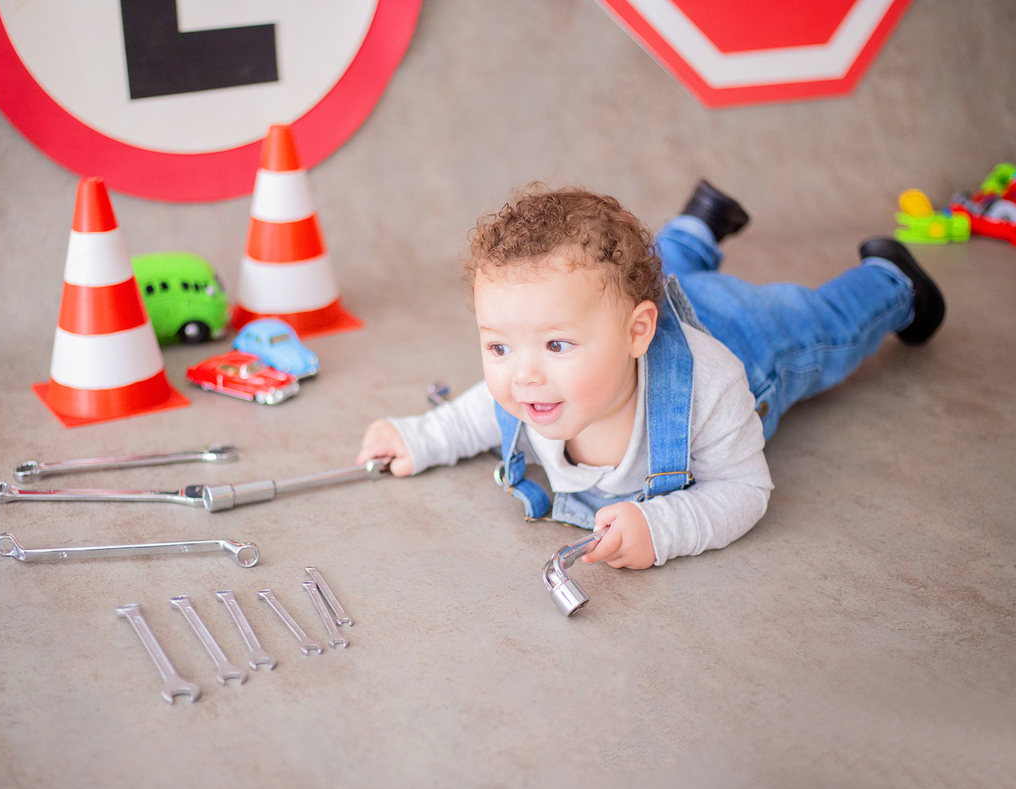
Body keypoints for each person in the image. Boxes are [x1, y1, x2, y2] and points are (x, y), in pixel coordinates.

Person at [356, 182, 945, 569]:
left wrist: (662, 529)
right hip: (633, 306)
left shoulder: (708, 385)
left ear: (640, 333)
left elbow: (745, 489)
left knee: (823, 328)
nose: (523, 376)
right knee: (645, 270)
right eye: (498, 346)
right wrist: (422, 437)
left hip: (745, 334)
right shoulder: (535, 381)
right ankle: (698, 225)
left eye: (557, 343)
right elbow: (484, 406)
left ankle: (892, 280)